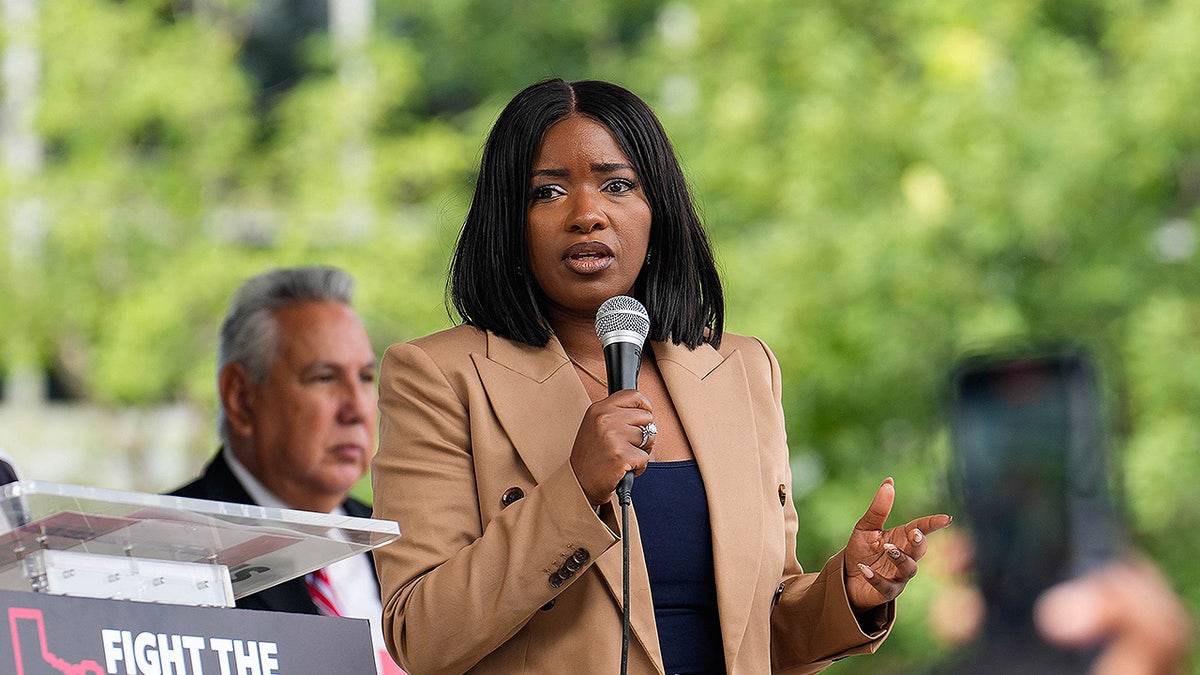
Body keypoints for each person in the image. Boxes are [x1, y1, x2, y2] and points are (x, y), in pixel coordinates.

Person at [371, 78, 952, 674]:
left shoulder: (742, 369)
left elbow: (762, 632)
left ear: (658, 211)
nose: (586, 215)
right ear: (507, 222)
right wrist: (575, 489)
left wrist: (851, 593)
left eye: (617, 185)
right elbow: (420, 634)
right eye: (547, 192)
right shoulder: (438, 377)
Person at [170, 265, 403, 675]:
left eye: (366, 378)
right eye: (324, 377)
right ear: (241, 398)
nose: (357, 409)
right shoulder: (160, 548)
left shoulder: (402, 542)